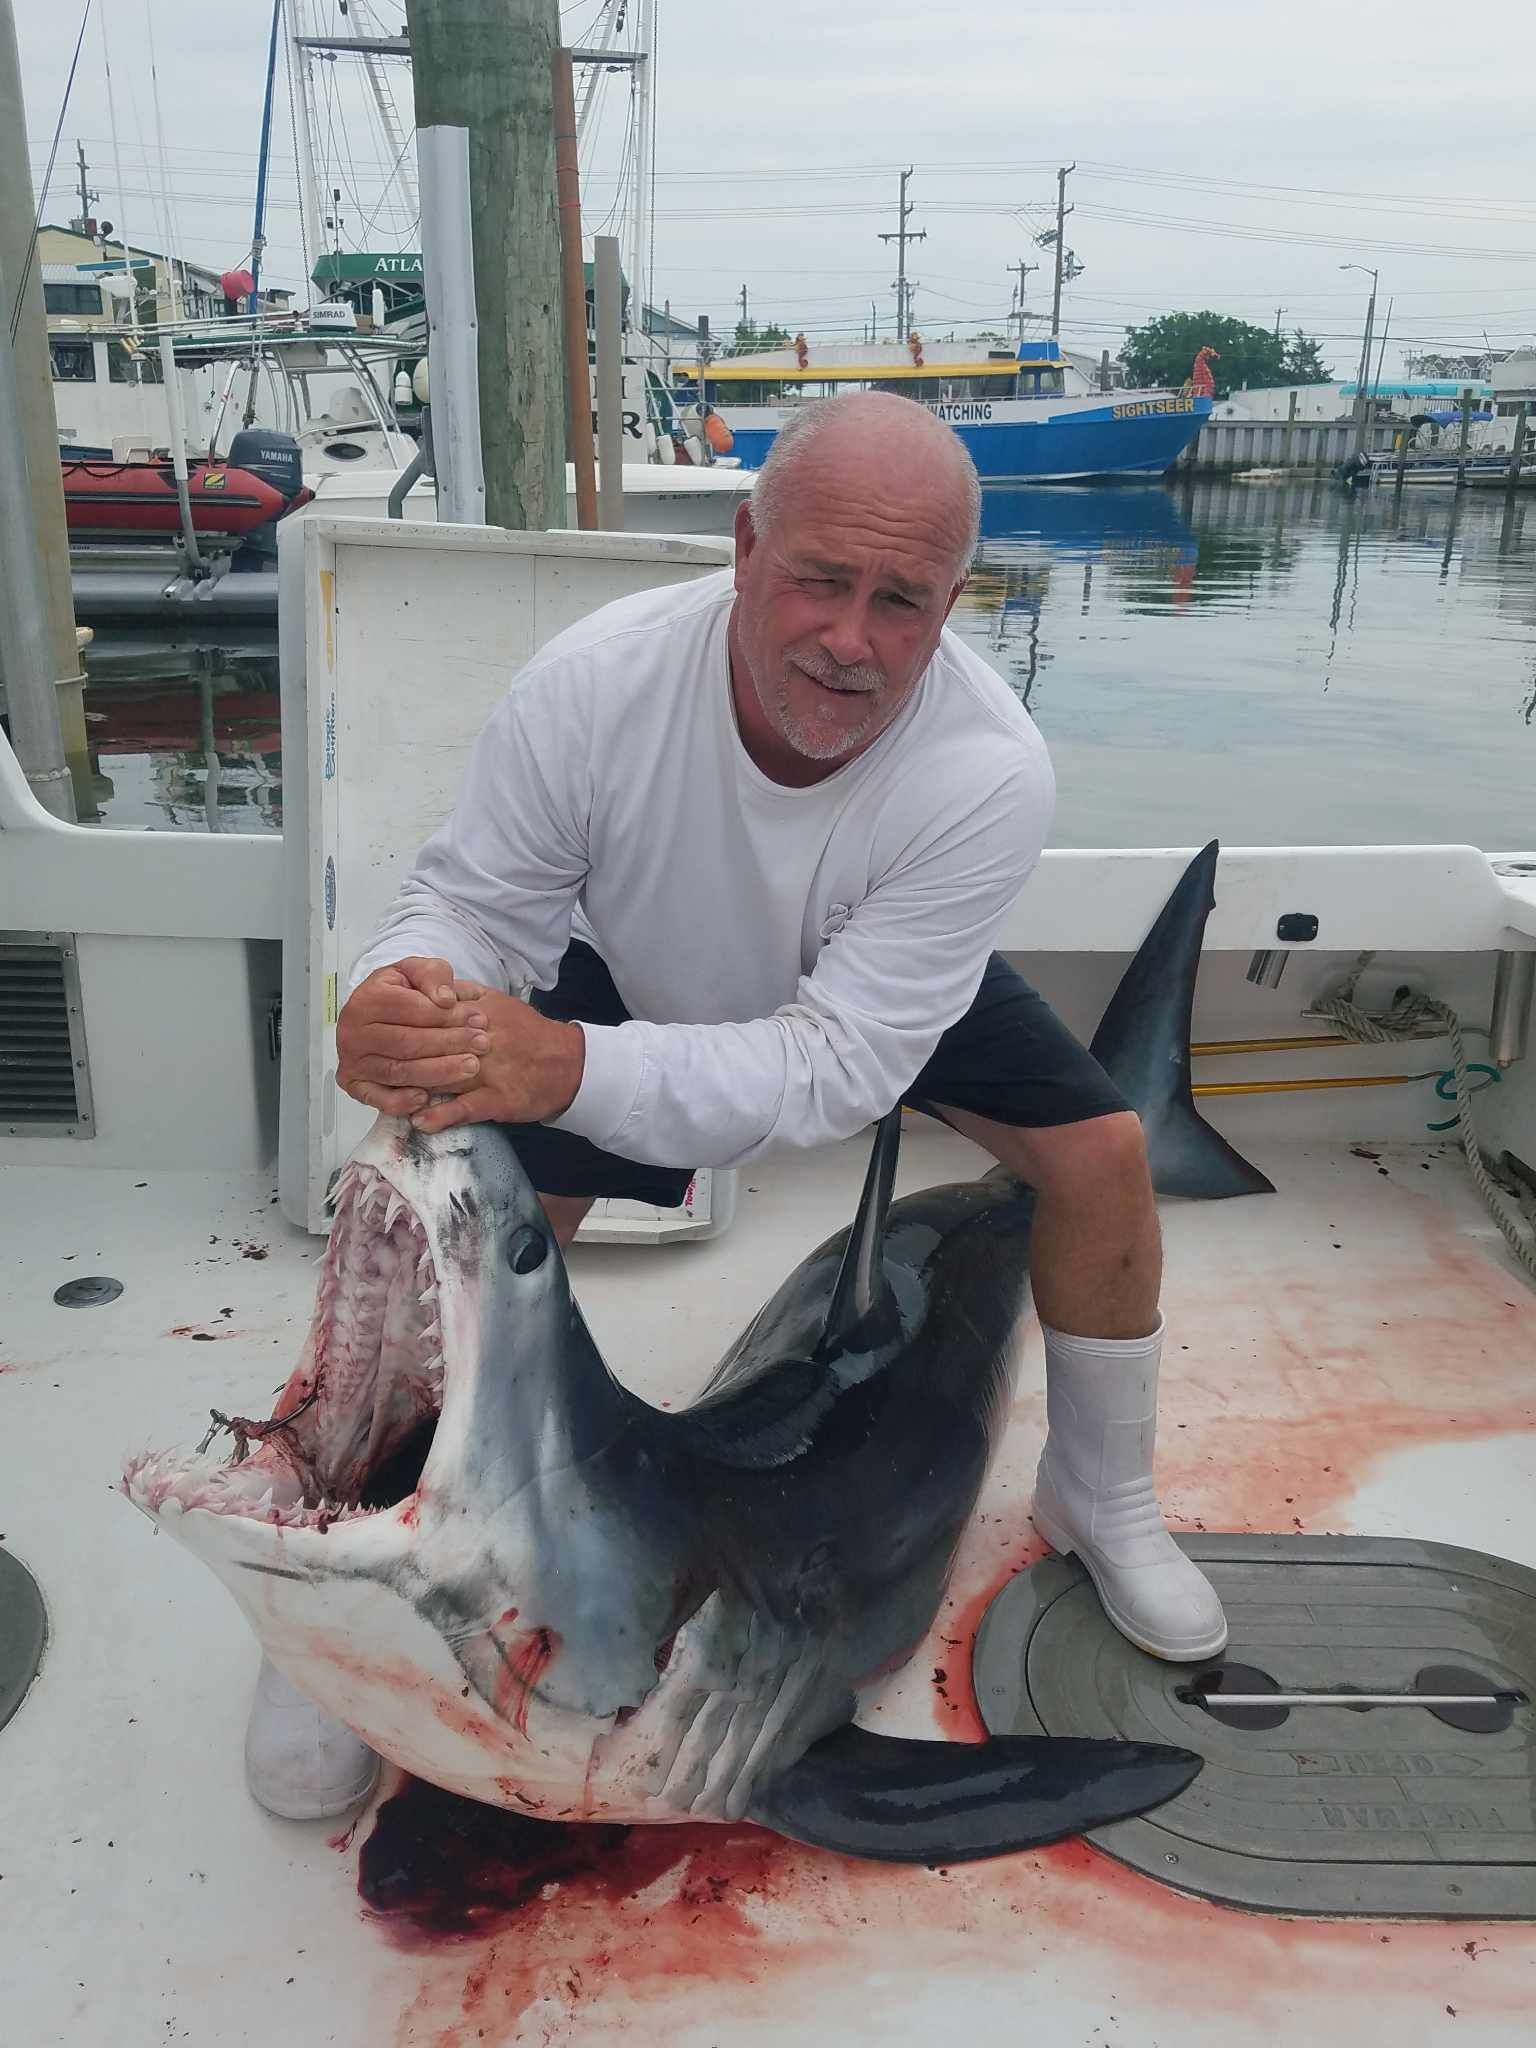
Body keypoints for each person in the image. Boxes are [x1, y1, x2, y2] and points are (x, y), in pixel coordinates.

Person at [244, 392, 1227, 1822]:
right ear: (745, 545)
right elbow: (475, 904)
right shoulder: (598, 682)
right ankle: (357, 1544)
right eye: (822, 580)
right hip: (633, 953)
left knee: (1102, 1156)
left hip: (862, 984)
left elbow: (835, 1071)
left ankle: (1101, 1499)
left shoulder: (985, 771)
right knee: (474, 1218)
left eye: (904, 601)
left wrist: (568, 1068)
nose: (853, 639)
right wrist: (412, 987)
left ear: (957, 597)